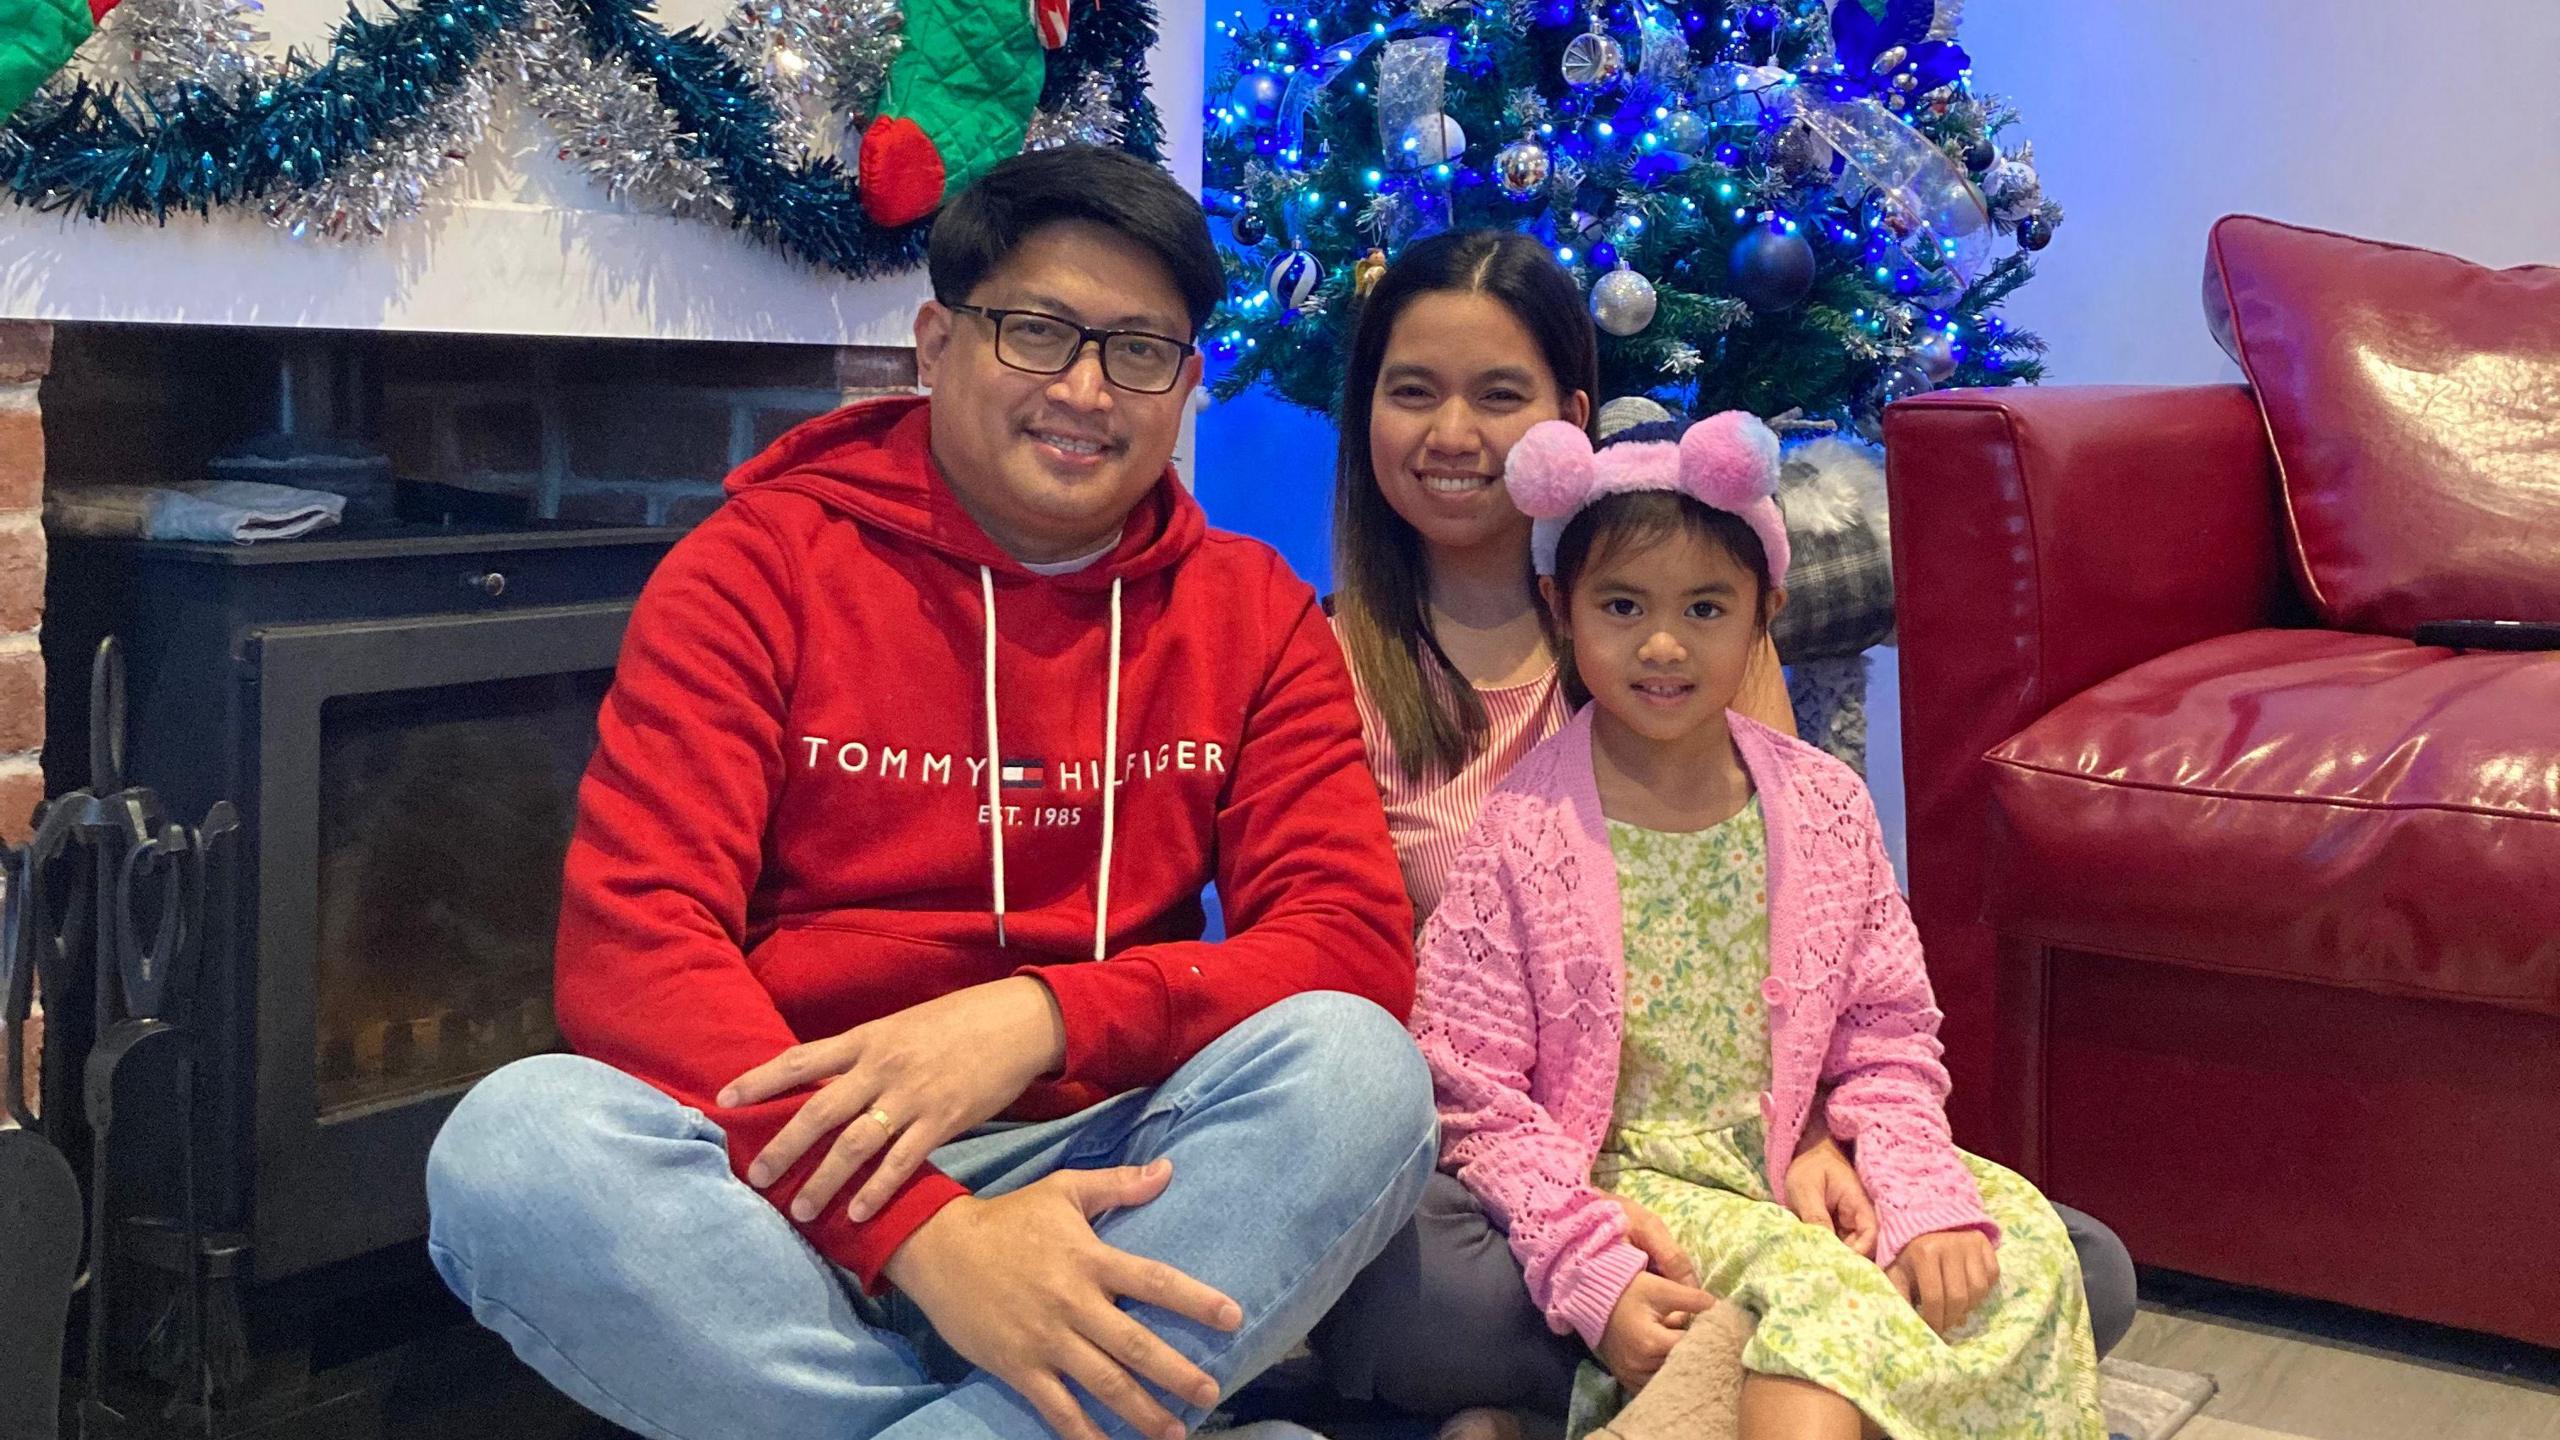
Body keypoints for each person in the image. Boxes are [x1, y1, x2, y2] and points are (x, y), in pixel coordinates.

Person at [422, 145, 1435, 1440]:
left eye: (1137, 352)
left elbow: (1348, 948)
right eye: (1037, 331)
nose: (1084, 389)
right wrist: (932, 1243)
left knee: (1364, 1076)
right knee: (515, 1150)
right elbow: (635, 951)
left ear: (1185, 385)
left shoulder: (1254, 613)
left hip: (1113, 1161)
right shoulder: (756, 569)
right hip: (794, 1179)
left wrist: (1038, 1019)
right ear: (936, 341)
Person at [1308, 231, 2136, 1440]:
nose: (1452, 435)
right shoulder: (1326, 667)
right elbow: (1408, 1038)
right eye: (1412, 390)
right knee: (1409, 1306)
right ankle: (1761, 1355)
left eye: (1499, 396)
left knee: (2073, 1263)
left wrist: (1824, 1140)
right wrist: (1585, 1245)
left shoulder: (1733, 702)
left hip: (1746, 1152)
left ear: (1565, 419)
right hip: (1491, 1164)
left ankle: (1643, 1389)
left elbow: (1834, 989)